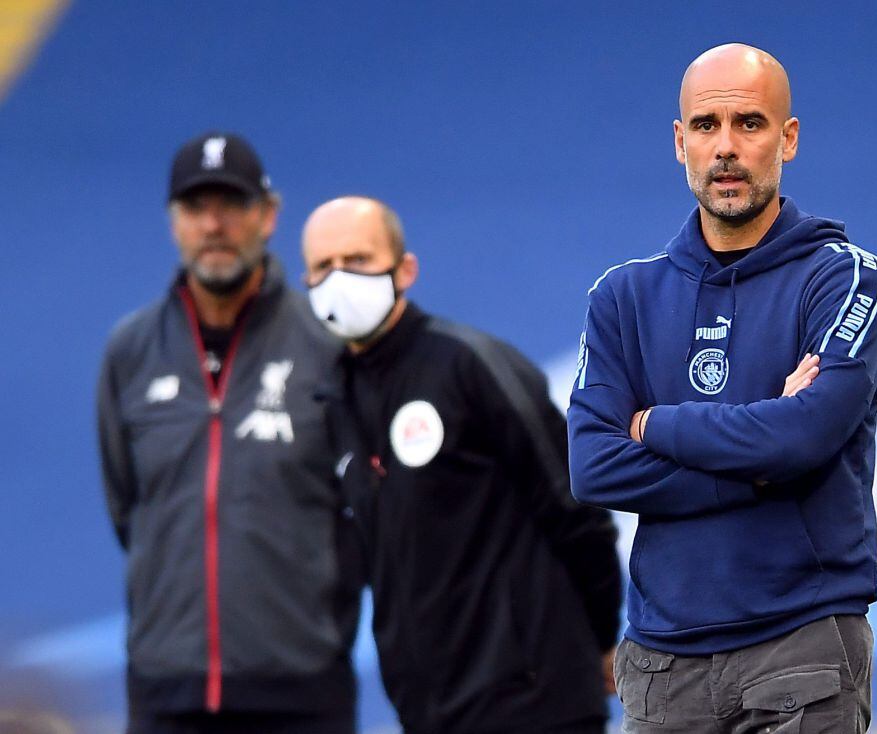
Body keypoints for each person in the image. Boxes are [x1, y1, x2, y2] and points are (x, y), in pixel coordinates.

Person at [567, 44, 877, 733]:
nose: (727, 147)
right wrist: (763, 461)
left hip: (800, 642)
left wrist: (655, 425)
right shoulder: (624, 295)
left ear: (788, 138)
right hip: (662, 663)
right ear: (680, 142)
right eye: (707, 127)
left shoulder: (842, 276)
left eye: (750, 123)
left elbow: (805, 436)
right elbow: (593, 466)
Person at [301, 196, 623, 734]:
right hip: (428, 710)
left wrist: (601, 636)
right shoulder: (335, 398)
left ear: (405, 269)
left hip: (535, 700)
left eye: (356, 259)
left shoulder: (470, 365)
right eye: (322, 266)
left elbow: (575, 505)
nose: (339, 279)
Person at [96, 132, 362, 734]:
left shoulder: (326, 346)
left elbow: (364, 511)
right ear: (173, 222)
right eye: (195, 208)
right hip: (166, 687)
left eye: (232, 205)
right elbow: (126, 506)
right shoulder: (131, 351)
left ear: (267, 216)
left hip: (303, 685)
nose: (213, 224)